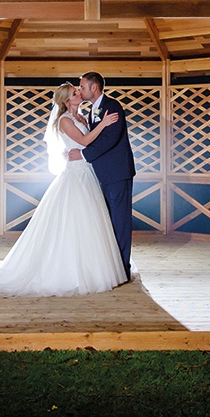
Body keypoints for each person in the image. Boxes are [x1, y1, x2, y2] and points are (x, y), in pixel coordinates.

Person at [0, 83, 128, 297]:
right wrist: (104, 124)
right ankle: (67, 270)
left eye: (79, 90)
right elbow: (85, 140)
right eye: (75, 93)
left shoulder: (82, 118)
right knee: (73, 221)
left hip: (87, 173)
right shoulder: (65, 120)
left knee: (91, 222)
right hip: (75, 175)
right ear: (67, 100)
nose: (79, 93)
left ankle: (94, 268)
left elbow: (86, 144)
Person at [67, 71, 136, 281]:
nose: (80, 90)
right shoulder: (91, 112)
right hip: (100, 175)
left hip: (117, 173)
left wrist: (83, 154)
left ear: (93, 87)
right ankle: (111, 266)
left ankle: (122, 269)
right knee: (107, 222)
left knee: (119, 221)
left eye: (82, 87)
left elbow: (110, 140)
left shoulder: (112, 107)